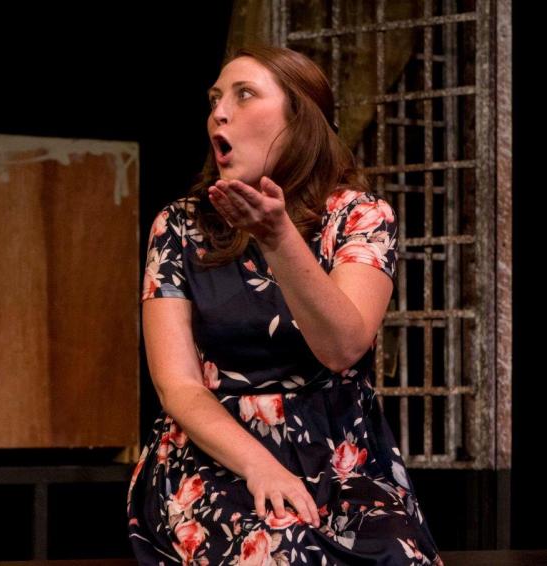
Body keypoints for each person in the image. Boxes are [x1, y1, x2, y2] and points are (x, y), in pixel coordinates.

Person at [127, 43, 444, 566]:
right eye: (215, 99)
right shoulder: (180, 225)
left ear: (300, 121)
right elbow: (177, 386)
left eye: (244, 95)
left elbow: (342, 348)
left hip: (341, 458)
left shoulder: (359, 216)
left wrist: (277, 238)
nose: (219, 112)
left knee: (397, 558)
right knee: (281, 550)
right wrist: (260, 467)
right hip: (215, 458)